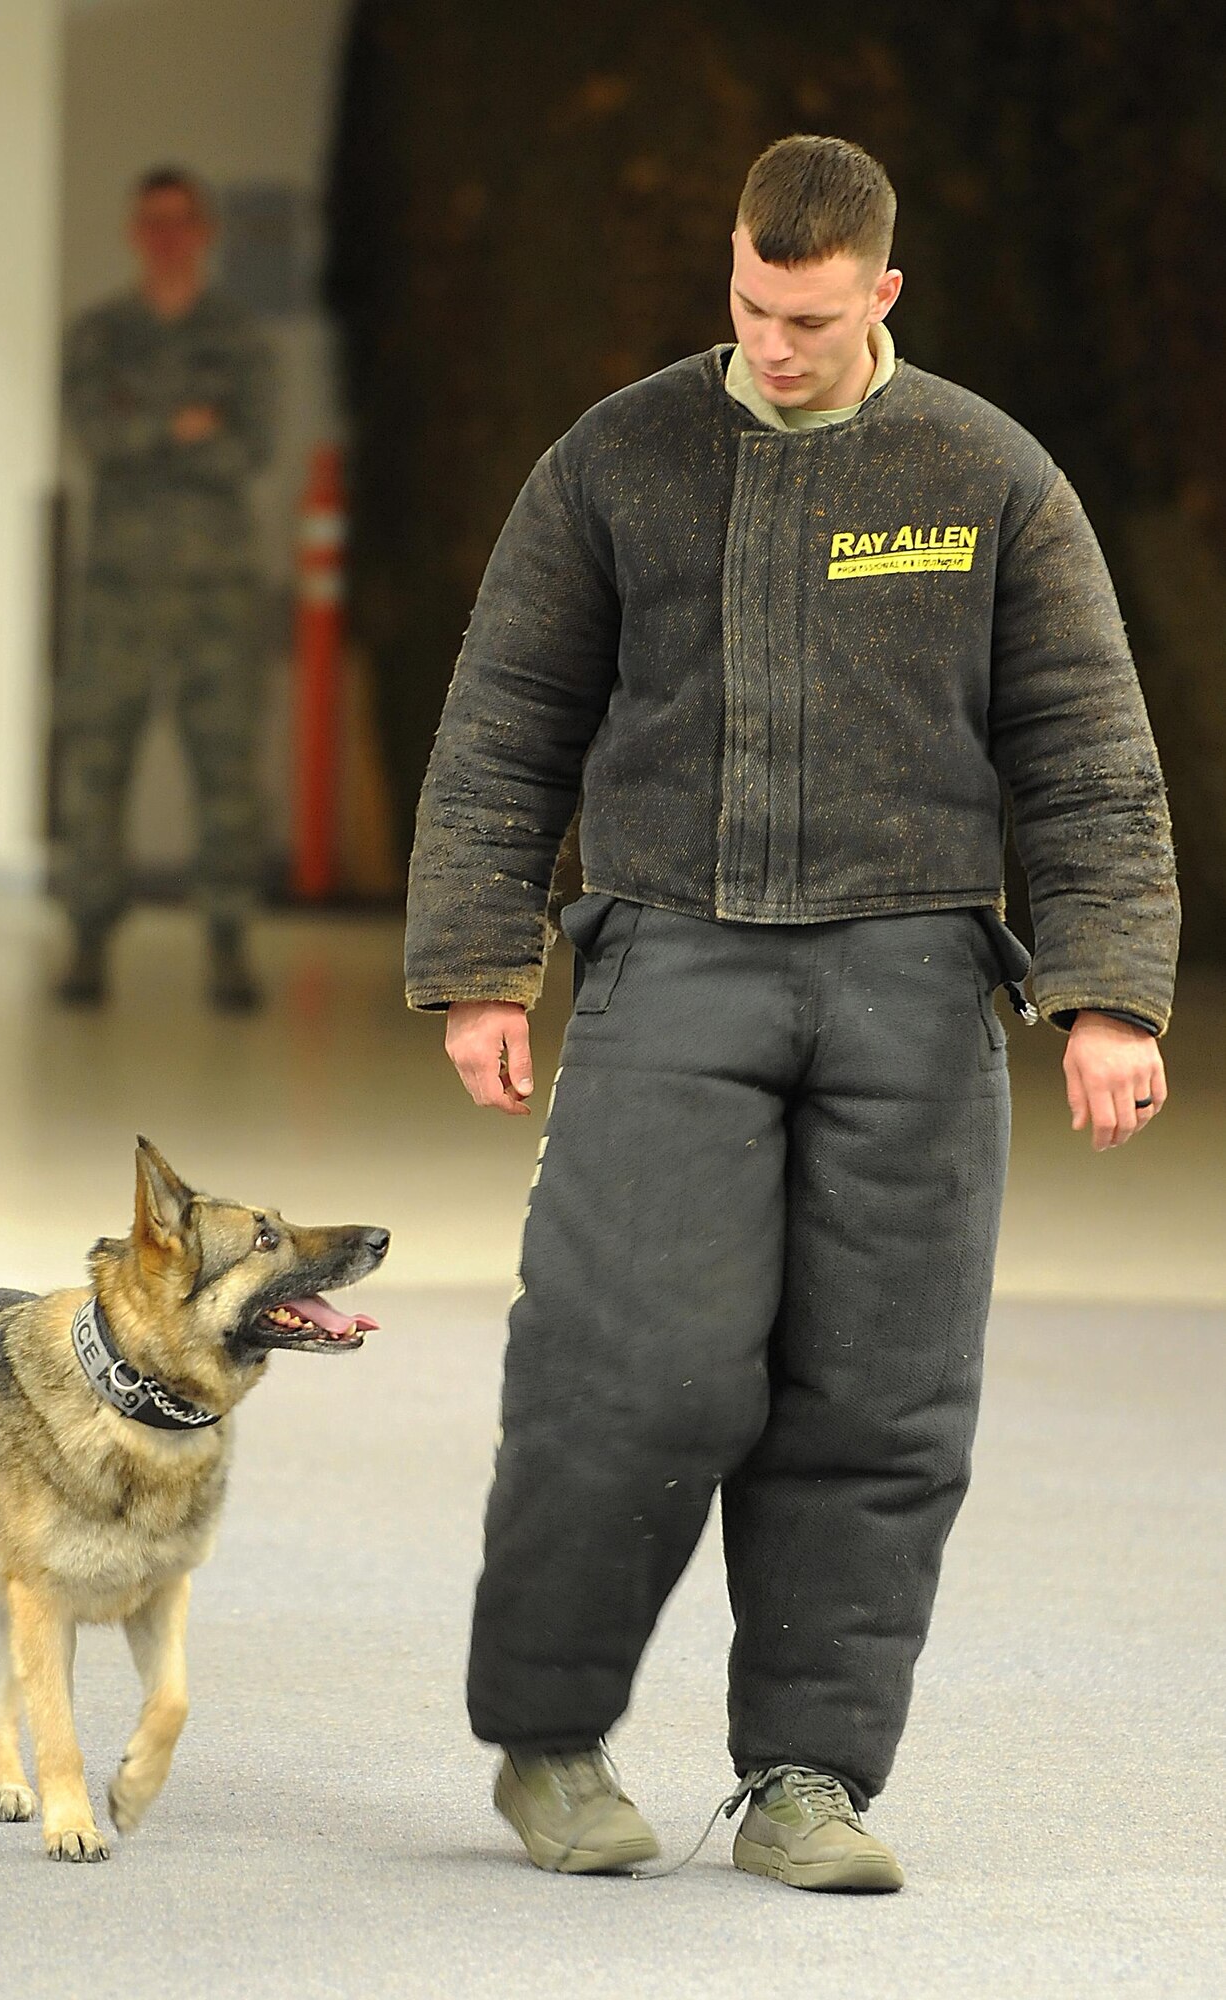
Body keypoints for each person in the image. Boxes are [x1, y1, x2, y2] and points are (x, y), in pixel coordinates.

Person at [405, 135, 1179, 1888]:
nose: (771, 342)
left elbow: (1082, 751)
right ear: (730, 273)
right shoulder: (615, 458)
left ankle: (805, 1781)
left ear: (880, 294)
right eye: (749, 306)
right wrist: (474, 963)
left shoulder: (984, 474)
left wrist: (1103, 997)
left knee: (879, 1398)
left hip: (911, 986)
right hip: (670, 958)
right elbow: (503, 718)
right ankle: (547, 1743)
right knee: (626, 1374)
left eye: (809, 318)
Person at [57, 166, 274, 1010]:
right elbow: (94, 436)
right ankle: (85, 942)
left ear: (205, 231)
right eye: (152, 221)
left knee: (225, 769)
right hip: (118, 591)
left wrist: (143, 432)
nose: (167, 236)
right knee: (95, 765)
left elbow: (248, 447)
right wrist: (181, 426)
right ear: (132, 231)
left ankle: (226, 942)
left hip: (217, 590)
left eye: (181, 221)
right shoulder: (100, 334)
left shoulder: (240, 337)